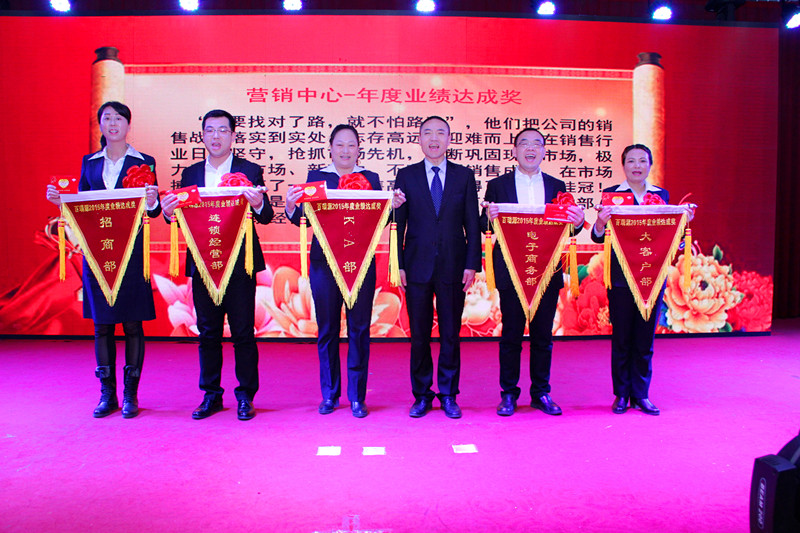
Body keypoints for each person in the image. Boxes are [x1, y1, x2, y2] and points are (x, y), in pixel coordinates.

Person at [45, 101, 161, 419]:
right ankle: (107, 393)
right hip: (98, 253)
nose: (113, 123)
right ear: (100, 125)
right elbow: (81, 206)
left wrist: (153, 201)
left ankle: (130, 394)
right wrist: (60, 201)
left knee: (133, 323)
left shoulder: (144, 162)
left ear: (128, 125)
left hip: (131, 253)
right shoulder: (90, 163)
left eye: (118, 118)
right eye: (107, 118)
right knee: (102, 326)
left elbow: (152, 211)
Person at [285, 124, 404, 418]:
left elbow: (378, 219)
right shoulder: (317, 179)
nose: (345, 151)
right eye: (340, 145)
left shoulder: (370, 179)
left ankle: (357, 397)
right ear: (330, 148)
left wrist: (393, 206)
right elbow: (303, 220)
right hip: (324, 265)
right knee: (327, 329)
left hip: (359, 264)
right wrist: (290, 206)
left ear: (359, 149)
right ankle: (329, 394)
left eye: (351, 145)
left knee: (359, 329)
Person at [162, 109, 274, 421]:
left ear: (233, 136)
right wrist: (169, 212)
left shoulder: (249, 170)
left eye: (223, 130)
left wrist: (258, 203)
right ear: (202, 135)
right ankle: (211, 394)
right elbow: (180, 217)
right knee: (208, 332)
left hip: (239, 264)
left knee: (243, 332)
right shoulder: (190, 174)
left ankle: (245, 395)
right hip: (203, 261)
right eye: (210, 130)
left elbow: (266, 215)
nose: (216, 136)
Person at [481, 128, 585, 417]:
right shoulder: (498, 185)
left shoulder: (556, 186)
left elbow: (567, 228)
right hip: (511, 269)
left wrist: (578, 222)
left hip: (546, 269)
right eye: (524, 144)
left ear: (543, 151)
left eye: (537, 144)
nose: (530, 149)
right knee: (511, 335)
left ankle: (541, 392)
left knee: (542, 336)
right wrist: (488, 217)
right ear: (514, 151)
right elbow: (484, 226)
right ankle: (508, 393)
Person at [591, 144, 690, 416]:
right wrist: (600, 222)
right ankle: (622, 394)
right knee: (622, 338)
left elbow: (668, 236)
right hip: (621, 278)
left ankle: (642, 394)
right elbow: (598, 237)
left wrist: (683, 224)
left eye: (642, 161)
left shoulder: (661, 196)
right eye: (631, 161)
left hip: (652, 276)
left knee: (645, 339)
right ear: (623, 165)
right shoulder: (612, 195)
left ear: (650, 165)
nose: (637, 166)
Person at [394, 116, 481, 419]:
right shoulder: (406, 176)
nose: (434, 139)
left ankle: (448, 394)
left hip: (454, 266)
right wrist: (398, 265)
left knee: (450, 334)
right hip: (416, 266)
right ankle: (421, 394)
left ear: (448, 139)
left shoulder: (463, 176)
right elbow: (398, 225)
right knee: (419, 335)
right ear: (419, 139)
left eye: (440, 133)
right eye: (428, 133)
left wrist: (472, 263)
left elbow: (472, 223)